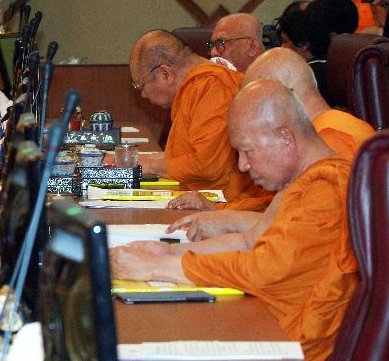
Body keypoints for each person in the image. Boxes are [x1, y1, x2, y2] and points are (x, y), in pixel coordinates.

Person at [110, 80, 358, 361]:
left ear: (286, 138)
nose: (241, 165)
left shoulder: (330, 187)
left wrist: (157, 268)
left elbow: (265, 269)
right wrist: (169, 250)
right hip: (266, 323)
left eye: (248, 151)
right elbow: (250, 242)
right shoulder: (299, 179)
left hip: (290, 345)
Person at [167, 47, 374, 231]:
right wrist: (219, 209)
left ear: (282, 95)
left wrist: (227, 219)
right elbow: (281, 209)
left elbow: (300, 231)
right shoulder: (315, 132)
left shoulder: (331, 140)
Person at [129, 30, 265, 200]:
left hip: (228, 204)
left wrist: (148, 166)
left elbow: (206, 165)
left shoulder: (213, 85)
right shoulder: (195, 88)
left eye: (141, 86)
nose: (143, 95)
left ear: (165, 74)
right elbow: (183, 155)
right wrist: (132, 159)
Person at [276, 9, 331, 102]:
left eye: (285, 41)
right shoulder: (329, 64)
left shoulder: (307, 75)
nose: (282, 47)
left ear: (303, 44)